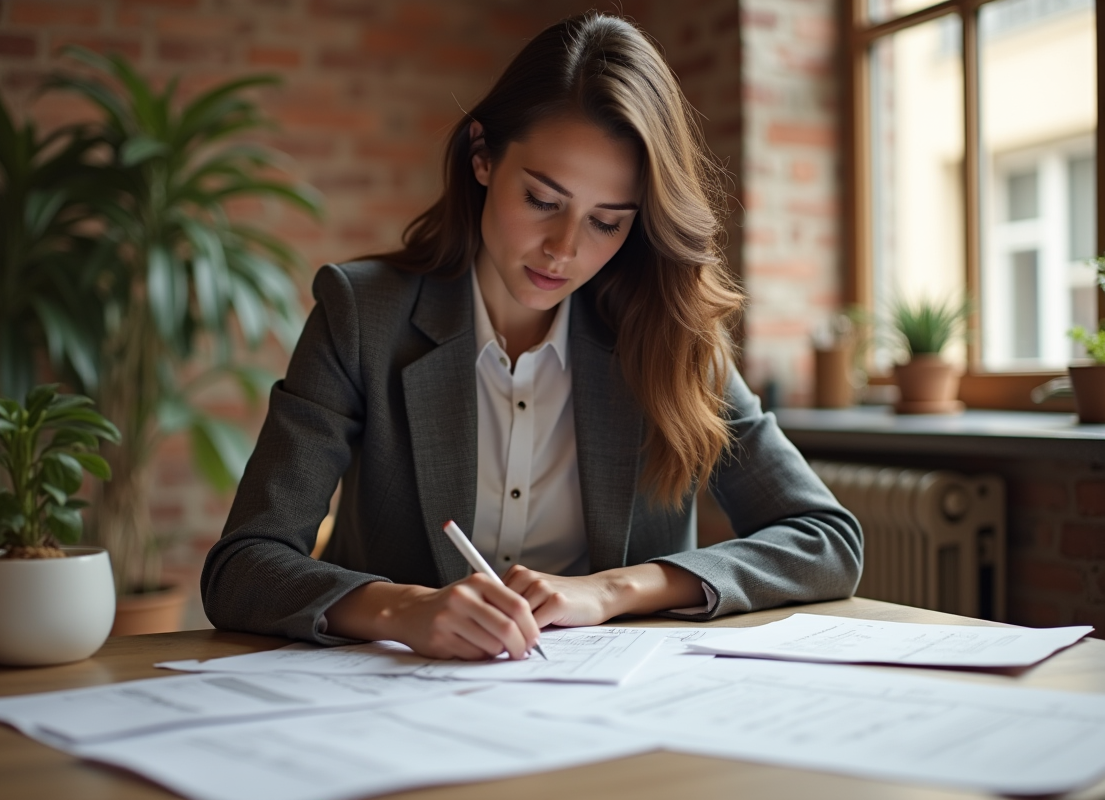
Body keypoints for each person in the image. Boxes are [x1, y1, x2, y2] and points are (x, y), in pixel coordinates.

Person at [201, 12, 862, 661]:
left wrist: (615, 590)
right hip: (395, 703)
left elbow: (827, 539)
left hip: (606, 716)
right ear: (483, 157)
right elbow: (243, 566)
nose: (564, 250)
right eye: (543, 201)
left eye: (607, 222)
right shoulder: (362, 315)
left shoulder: (669, 336)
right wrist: (403, 609)